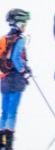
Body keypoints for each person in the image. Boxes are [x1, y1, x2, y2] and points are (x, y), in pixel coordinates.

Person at [0, 8, 30, 147]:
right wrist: (24, 70)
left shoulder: (4, 39)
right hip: (15, 79)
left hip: (4, 78)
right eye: (24, 23)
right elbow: (16, 58)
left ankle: (1, 141)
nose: (25, 26)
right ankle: (9, 143)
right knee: (12, 111)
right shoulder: (20, 40)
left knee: (4, 110)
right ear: (18, 23)